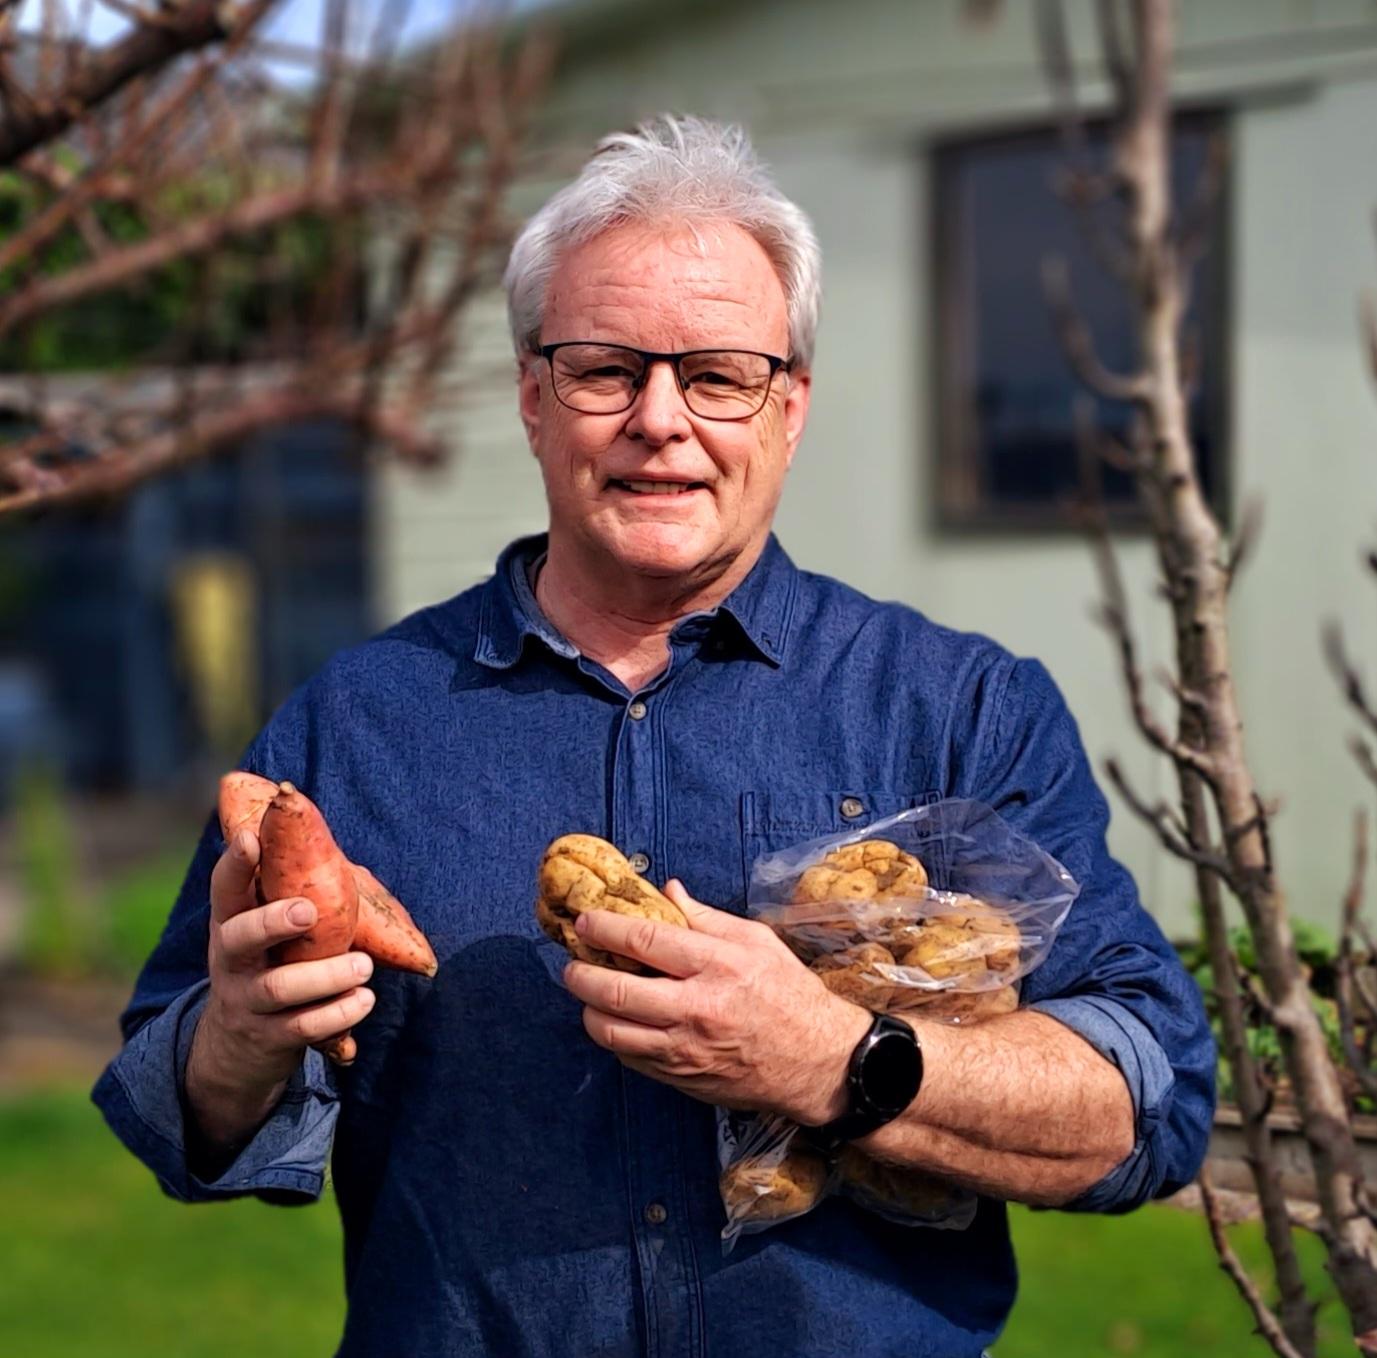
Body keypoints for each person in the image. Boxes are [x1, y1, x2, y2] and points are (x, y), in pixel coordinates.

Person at [93, 114, 1214, 1358]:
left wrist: (836, 1059)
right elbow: (165, 1111)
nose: (659, 419)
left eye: (719, 373)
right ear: (533, 396)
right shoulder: (354, 725)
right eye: (604, 367)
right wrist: (239, 1038)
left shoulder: (955, 708)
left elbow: (1145, 1100)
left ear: (788, 407)